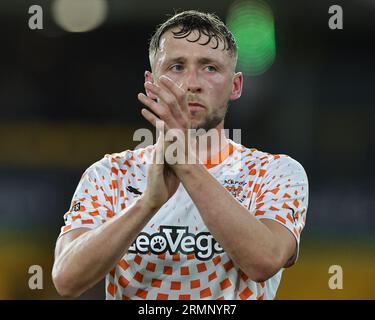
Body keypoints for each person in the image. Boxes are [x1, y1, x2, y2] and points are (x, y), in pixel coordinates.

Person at [52, 10, 308, 300]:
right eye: (176, 67)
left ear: (235, 86)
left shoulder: (274, 172)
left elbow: (264, 261)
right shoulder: (110, 173)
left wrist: (185, 164)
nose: (192, 83)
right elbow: (66, 278)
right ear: (151, 83)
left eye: (210, 68)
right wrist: (147, 204)